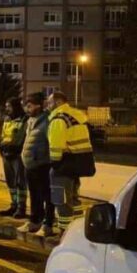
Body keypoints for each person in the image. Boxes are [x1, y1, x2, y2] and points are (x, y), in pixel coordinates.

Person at [47, 91, 95, 236]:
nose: (48, 105)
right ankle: (78, 230)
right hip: (77, 163)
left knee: (60, 200)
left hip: (63, 165)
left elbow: (56, 147)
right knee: (74, 199)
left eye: (49, 102)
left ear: (58, 102)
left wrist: (53, 164)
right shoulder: (76, 116)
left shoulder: (59, 120)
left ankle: (64, 232)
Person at [20, 92, 55, 237]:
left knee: (47, 195)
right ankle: (34, 220)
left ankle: (48, 223)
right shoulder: (30, 121)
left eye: (30, 106)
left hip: (43, 164)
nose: (27, 109)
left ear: (39, 106)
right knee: (34, 195)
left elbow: (51, 142)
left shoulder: (47, 121)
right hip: (30, 165)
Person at [0, 97, 27, 219]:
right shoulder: (7, 119)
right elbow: (3, 135)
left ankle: (21, 207)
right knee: (10, 182)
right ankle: (14, 205)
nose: (7, 109)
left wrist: (16, 148)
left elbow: (22, 137)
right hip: (6, 154)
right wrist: (1, 147)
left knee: (20, 182)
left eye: (9, 106)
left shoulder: (24, 119)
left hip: (17, 154)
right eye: (6, 106)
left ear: (15, 107)